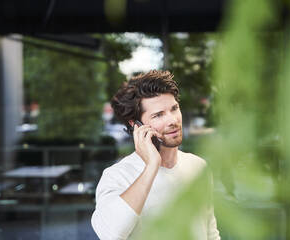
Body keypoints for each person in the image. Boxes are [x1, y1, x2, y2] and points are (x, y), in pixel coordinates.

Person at [91, 70, 220, 240]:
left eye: (174, 109)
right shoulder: (117, 176)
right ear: (136, 124)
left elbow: (210, 233)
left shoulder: (199, 166)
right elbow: (111, 234)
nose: (172, 120)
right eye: (158, 115)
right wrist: (152, 166)